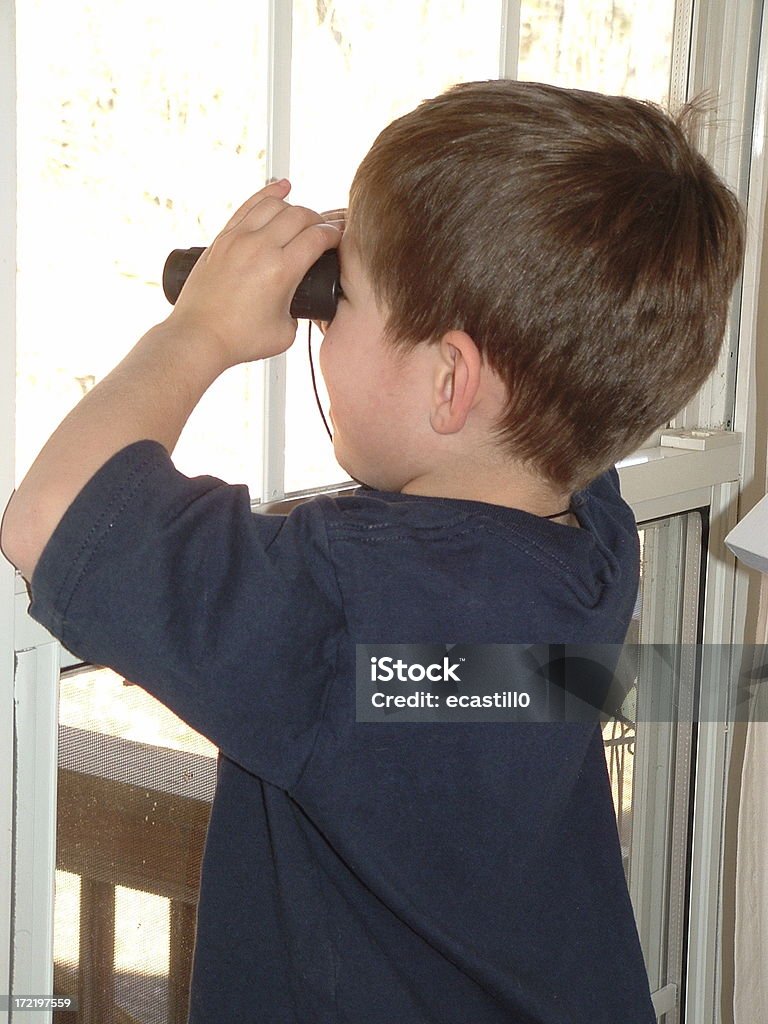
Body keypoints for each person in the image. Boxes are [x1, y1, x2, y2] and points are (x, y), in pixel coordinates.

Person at [1, 80, 745, 1023]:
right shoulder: (589, 531)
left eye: (339, 297)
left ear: (451, 381)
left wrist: (200, 329)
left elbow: (52, 513)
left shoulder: (348, 609)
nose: (319, 318)